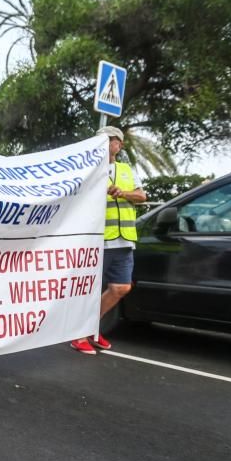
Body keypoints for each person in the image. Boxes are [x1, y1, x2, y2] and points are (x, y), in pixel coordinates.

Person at [70, 126, 147, 355]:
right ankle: (79, 335)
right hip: (99, 241)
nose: (104, 144)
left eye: (108, 140)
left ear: (118, 145)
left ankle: (91, 328)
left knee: (121, 287)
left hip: (124, 240)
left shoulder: (126, 170)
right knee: (90, 290)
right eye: (100, 140)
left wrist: (122, 192)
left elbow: (142, 196)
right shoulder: (90, 170)